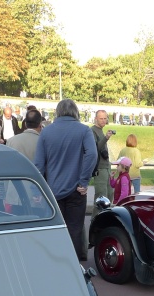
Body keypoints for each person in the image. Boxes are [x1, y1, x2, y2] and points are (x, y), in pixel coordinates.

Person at [34, 99, 97, 261]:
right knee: (75, 229)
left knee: (54, 229)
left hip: (52, 190)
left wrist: (38, 189)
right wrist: (84, 181)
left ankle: (55, 262)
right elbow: (92, 154)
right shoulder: (84, 131)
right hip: (76, 189)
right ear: (75, 111)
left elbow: (39, 164)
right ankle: (74, 266)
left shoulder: (46, 132)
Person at [91, 110, 114, 208]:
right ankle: (96, 221)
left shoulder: (100, 130)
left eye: (105, 118)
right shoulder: (92, 131)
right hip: (100, 169)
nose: (104, 120)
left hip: (106, 168)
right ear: (96, 118)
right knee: (101, 198)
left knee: (109, 195)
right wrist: (106, 138)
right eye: (101, 118)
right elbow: (95, 149)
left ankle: (105, 220)